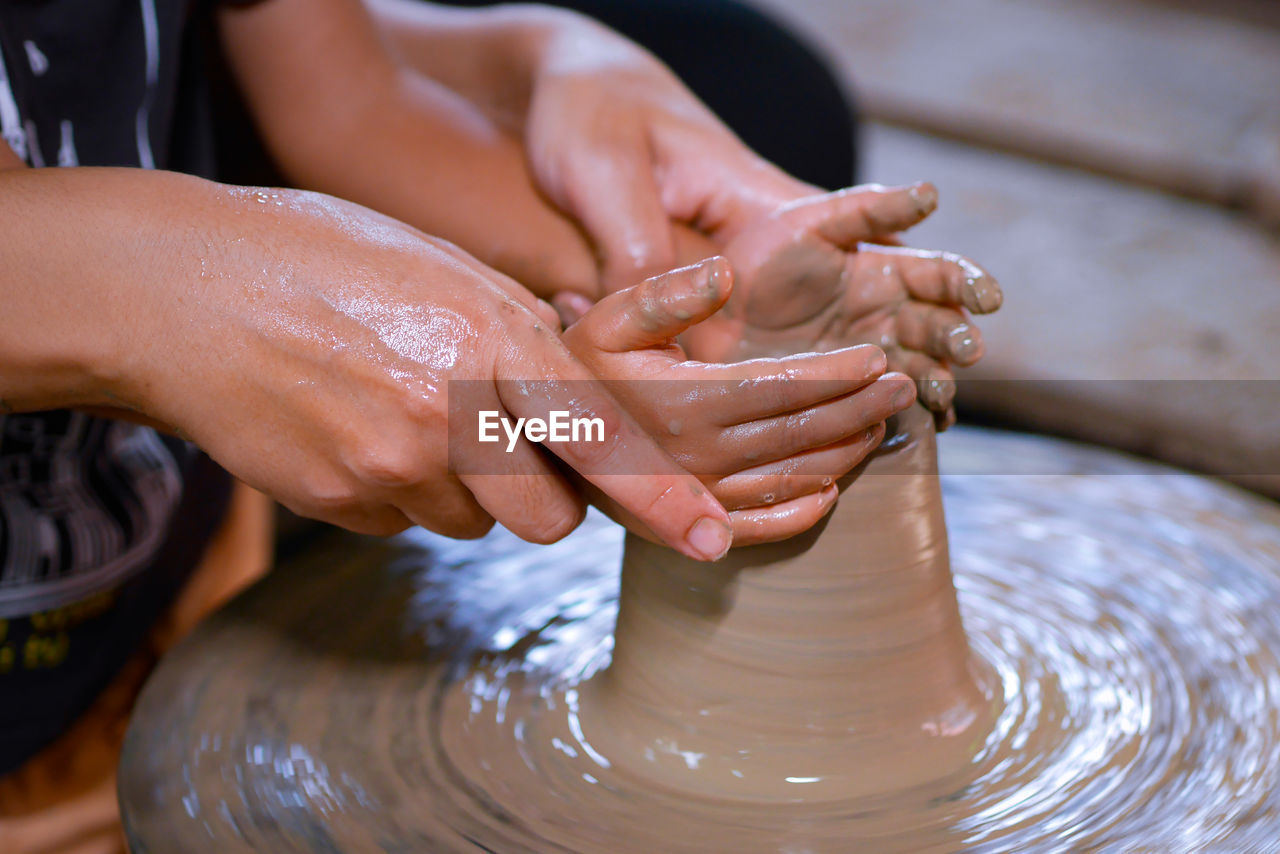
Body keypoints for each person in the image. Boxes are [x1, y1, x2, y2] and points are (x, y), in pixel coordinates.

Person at [0, 0, 1001, 850]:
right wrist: (194, 303)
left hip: (135, 578)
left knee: (765, 96)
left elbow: (350, 100)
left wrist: (700, 295)